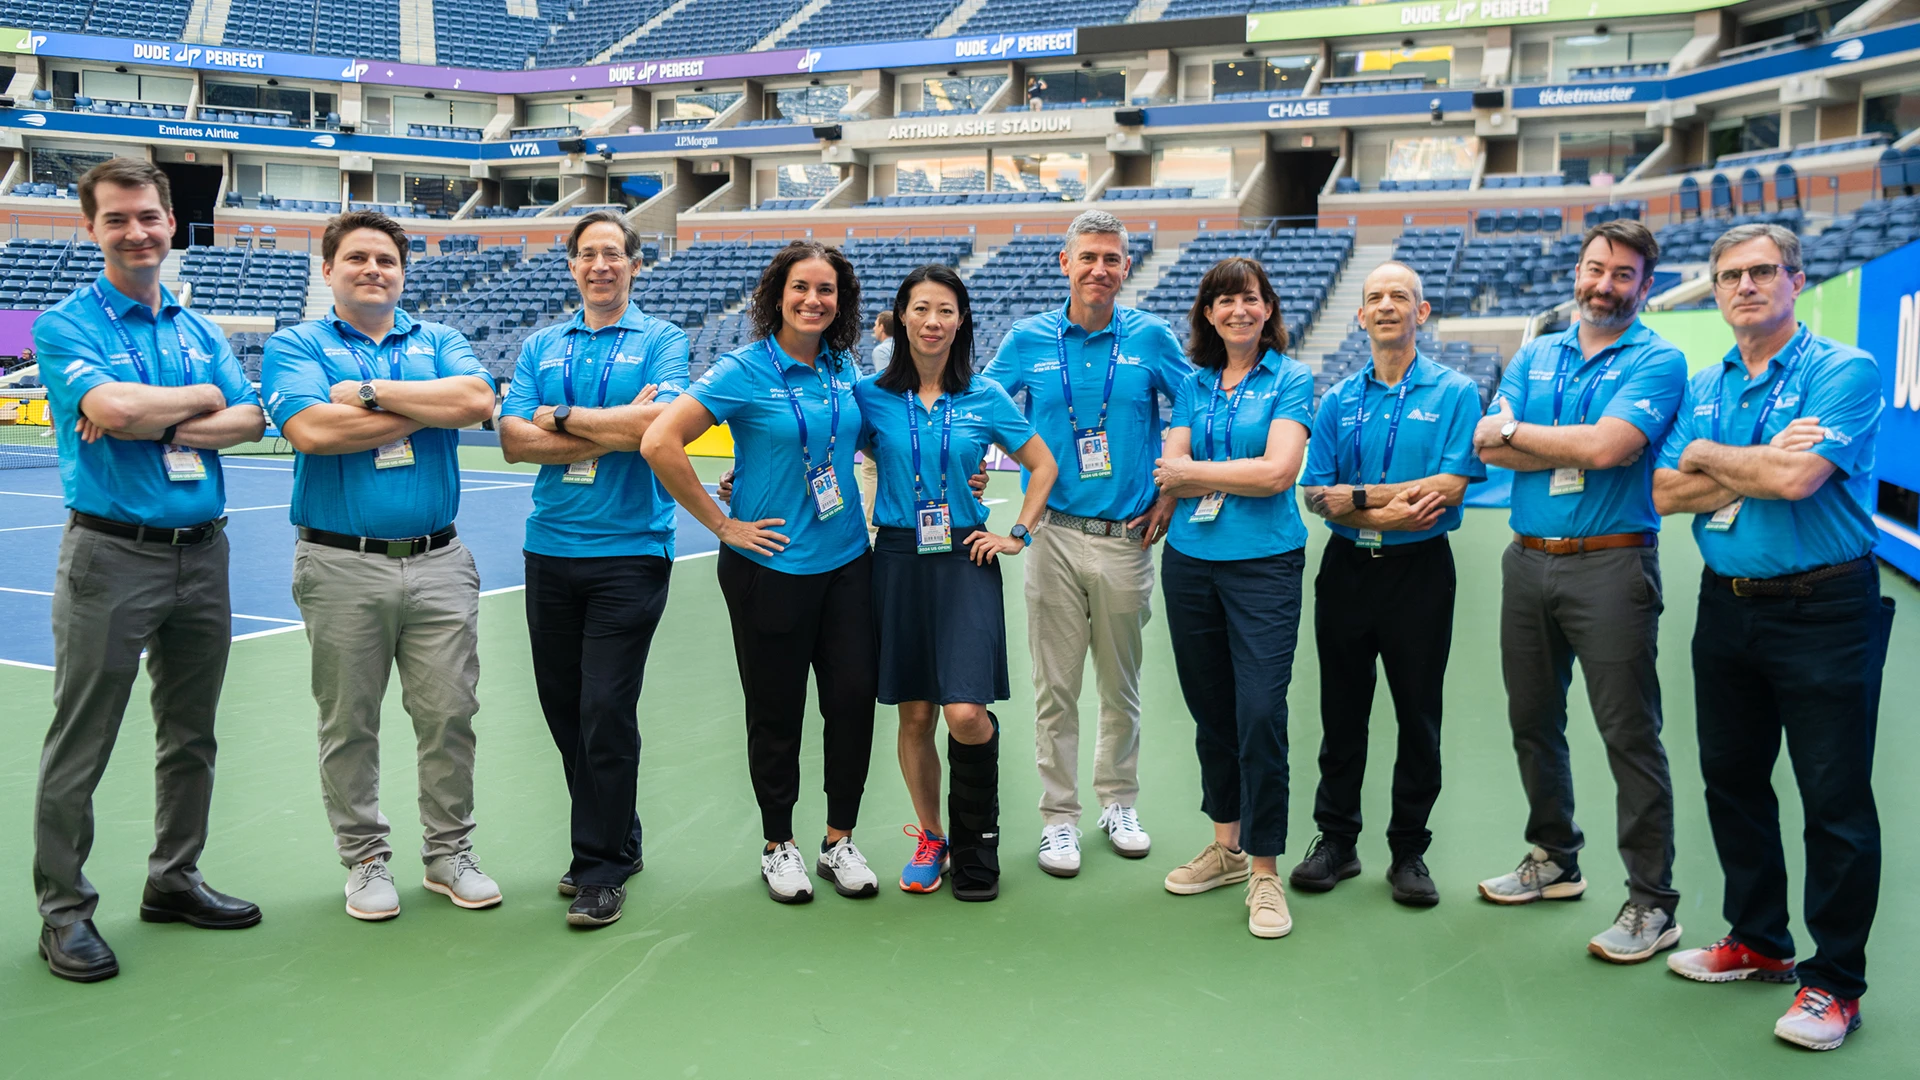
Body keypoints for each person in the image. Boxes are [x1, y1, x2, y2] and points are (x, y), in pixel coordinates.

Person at [1652, 223, 1894, 1052]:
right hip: (1728, 605)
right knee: (1732, 781)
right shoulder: (1704, 379)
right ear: (1714, 292)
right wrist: (1749, 457)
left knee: (1834, 802)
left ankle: (1835, 985)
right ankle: (1758, 942)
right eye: (1729, 277)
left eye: (1762, 272)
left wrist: (1716, 459)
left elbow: (1798, 479)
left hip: (1825, 609)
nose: (1745, 287)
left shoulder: (1844, 370)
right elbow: (1663, 489)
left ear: (1796, 280)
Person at [30, 157, 266, 982]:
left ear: (172, 225)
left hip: (203, 553)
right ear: (91, 229)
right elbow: (114, 410)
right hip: (109, 555)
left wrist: (167, 417)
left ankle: (174, 880)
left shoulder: (200, 330)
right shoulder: (66, 325)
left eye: (149, 217)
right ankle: (63, 913)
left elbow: (251, 416)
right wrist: (198, 403)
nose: (136, 232)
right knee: (81, 740)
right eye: (118, 219)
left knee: (190, 734)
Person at [260, 210, 501, 922]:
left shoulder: (442, 338)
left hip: (440, 560)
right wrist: (431, 409)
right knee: (349, 723)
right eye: (357, 258)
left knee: (450, 715)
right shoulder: (296, 344)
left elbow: (478, 401)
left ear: (403, 273)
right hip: (340, 565)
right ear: (328, 269)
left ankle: (448, 853)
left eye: (387, 260)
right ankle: (364, 859)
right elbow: (310, 430)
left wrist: (368, 394)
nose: (373, 269)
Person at [1471, 219, 1689, 964]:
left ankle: (1652, 902)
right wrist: (1546, 439)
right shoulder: (1537, 351)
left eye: (1622, 274)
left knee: (1628, 733)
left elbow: (1606, 448)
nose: (1603, 284)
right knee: (1533, 720)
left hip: (1611, 565)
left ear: (1644, 285)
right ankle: (1555, 858)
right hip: (1527, 561)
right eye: (1595, 267)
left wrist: (1523, 434)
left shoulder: (1658, 360)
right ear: (1578, 269)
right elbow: (1482, 442)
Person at [642, 240, 881, 904]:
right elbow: (658, 441)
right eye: (801, 287)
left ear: (842, 302)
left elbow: (868, 438)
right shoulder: (743, 369)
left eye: (826, 290)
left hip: (846, 565)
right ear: (777, 294)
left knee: (852, 702)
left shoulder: (842, 366)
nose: (813, 300)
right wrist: (723, 526)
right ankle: (780, 845)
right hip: (767, 565)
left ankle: (839, 840)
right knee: (776, 712)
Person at [983, 209, 1191, 876]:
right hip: (1053, 536)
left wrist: (1172, 489)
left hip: (1126, 539)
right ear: (1064, 264)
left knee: (1120, 686)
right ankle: (1059, 818)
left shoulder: (1153, 339)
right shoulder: (1027, 339)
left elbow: (1194, 410)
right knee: (1055, 690)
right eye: (1089, 256)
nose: (1100, 268)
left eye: (1112, 258)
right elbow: (977, 405)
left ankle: (1118, 800)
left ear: (1126, 268)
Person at [498, 210, 688, 928]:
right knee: (564, 708)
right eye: (587, 255)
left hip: (631, 552)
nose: (600, 265)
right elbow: (513, 440)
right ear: (571, 265)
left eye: (614, 254)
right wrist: (609, 423)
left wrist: (562, 416)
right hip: (550, 550)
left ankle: (599, 868)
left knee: (605, 706)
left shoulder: (663, 340)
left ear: (636, 264)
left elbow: (656, 430)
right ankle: (621, 835)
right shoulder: (543, 342)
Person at [854, 264, 1057, 901]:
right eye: (921, 309)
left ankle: (979, 840)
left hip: (966, 563)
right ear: (902, 317)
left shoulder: (986, 396)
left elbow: (1043, 463)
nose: (933, 321)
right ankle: (934, 836)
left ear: (961, 320)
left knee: (966, 712)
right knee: (915, 712)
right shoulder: (870, 395)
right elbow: (821, 447)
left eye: (945, 310)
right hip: (895, 559)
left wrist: (1017, 533)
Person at [1294, 262, 1486, 908]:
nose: (1385, 306)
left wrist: (1354, 501)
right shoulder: (1337, 399)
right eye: (1374, 297)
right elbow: (1316, 494)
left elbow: (1450, 487)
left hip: (1420, 574)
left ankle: (1409, 851)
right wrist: (1377, 506)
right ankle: (1336, 842)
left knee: (1417, 716)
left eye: (1399, 295)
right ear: (1360, 315)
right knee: (1340, 715)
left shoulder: (1457, 393)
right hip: (1347, 571)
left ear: (1421, 312)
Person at [1149, 258, 1312, 938]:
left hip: (1265, 567)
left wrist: (1192, 473)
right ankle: (1227, 847)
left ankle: (1267, 872)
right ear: (1208, 315)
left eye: (1248, 298)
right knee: (1212, 710)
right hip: (1191, 565)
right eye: (1222, 301)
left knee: (1259, 713)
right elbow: (1169, 469)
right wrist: (1183, 478)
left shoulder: (1292, 378)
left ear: (1267, 308)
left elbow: (1278, 472)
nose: (1237, 311)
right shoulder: (1193, 383)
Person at [860, 310, 895, 533]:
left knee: (870, 469)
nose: (873, 328)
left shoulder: (882, 350)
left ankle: (872, 526)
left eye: (876, 324)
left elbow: (887, 386)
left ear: (883, 327)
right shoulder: (906, 347)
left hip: (887, 421)